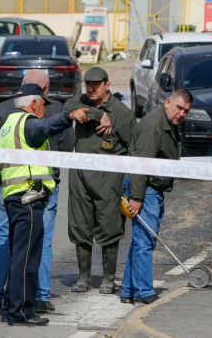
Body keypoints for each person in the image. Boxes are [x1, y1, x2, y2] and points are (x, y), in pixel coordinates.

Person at [0, 70, 75, 313]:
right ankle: (39, 296)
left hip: (8, 186)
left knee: (4, 239)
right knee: (39, 243)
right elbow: (67, 148)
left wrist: (7, 172)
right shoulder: (52, 110)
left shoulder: (3, 109)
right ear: (41, 93)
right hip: (38, 188)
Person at [0, 83, 87, 326]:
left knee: (18, 255)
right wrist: (69, 115)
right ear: (33, 103)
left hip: (14, 197)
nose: (44, 111)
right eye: (43, 106)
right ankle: (22, 311)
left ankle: (11, 305)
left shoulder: (7, 126)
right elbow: (46, 127)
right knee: (27, 258)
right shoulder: (27, 124)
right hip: (29, 198)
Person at [64, 67, 136, 294]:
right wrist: (97, 115)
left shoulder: (122, 113)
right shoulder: (81, 103)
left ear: (107, 84)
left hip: (108, 182)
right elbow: (66, 106)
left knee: (110, 228)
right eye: (88, 84)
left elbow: (134, 149)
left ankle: (108, 279)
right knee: (80, 228)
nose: (91, 88)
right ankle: (83, 278)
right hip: (81, 180)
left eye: (96, 84)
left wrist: (134, 186)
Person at [121, 89, 192, 305]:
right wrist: (137, 197)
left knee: (142, 240)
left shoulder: (168, 122)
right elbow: (141, 163)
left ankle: (128, 289)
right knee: (144, 240)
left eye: (186, 111)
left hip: (151, 189)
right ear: (168, 102)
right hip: (145, 189)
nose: (182, 114)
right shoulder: (154, 125)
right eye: (179, 108)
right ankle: (143, 291)